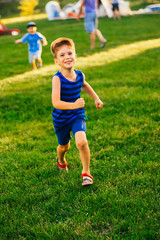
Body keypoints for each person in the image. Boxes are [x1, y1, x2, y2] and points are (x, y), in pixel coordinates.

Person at [50, 37, 104, 186]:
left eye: (70, 53)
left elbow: (84, 85)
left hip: (77, 115)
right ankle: (61, 160)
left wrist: (96, 98)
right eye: (62, 55)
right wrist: (73, 105)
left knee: (81, 142)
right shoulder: (57, 79)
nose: (67, 57)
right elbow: (56, 103)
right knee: (64, 147)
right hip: (61, 118)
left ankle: (86, 173)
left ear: (75, 56)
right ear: (56, 61)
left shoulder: (80, 75)